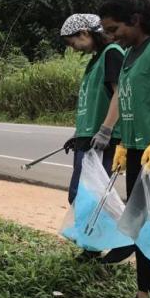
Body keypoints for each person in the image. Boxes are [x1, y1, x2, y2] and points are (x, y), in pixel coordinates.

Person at [99, 0, 150, 298]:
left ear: (135, 21)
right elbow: (130, 102)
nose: (111, 37)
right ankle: (145, 294)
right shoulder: (128, 57)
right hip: (141, 153)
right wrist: (124, 143)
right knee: (141, 223)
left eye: (114, 30)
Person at [59, 14, 125, 262]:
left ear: (85, 33)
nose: (72, 48)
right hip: (88, 138)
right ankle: (93, 247)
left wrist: (106, 130)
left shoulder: (112, 53)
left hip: (102, 140)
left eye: (72, 42)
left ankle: (122, 239)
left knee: (91, 195)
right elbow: (92, 102)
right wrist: (78, 134)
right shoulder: (95, 61)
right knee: (82, 195)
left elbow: (120, 94)